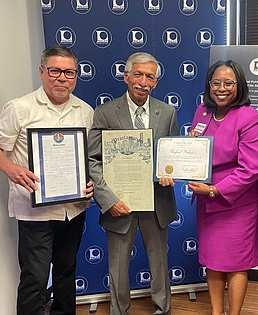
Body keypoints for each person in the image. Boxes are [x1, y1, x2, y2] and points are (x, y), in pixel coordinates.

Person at [0, 45, 94, 315]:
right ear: (42, 71)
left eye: (69, 72)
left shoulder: (85, 111)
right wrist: (12, 169)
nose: (62, 78)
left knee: (66, 271)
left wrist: (89, 183)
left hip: (73, 208)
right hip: (34, 212)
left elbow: (87, 158)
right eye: (55, 71)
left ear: (76, 76)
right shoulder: (20, 108)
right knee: (35, 276)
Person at [88, 52, 178, 315]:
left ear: (156, 82)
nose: (143, 81)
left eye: (150, 76)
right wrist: (108, 200)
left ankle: (163, 310)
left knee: (160, 264)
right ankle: (119, 311)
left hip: (156, 202)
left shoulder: (167, 112)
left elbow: (169, 154)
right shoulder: (105, 113)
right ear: (126, 76)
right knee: (117, 266)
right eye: (137, 74)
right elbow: (93, 159)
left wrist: (169, 171)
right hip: (119, 203)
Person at [188, 60, 258, 315]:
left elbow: (251, 169)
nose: (222, 88)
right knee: (213, 260)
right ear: (209, 85)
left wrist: (214, 190)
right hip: (206, 200)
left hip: (236, 202)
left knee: (235, 264)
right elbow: (196, 150)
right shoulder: (202, 111)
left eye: (229, 83)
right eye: (216, 82)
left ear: (239, 85)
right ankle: (215, 311)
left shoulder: (250, 118)